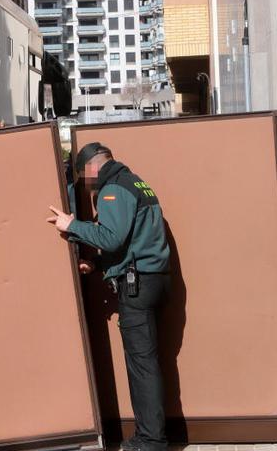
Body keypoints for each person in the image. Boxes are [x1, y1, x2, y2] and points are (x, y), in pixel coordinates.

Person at [47, 142, 171, 451]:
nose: (86, 184)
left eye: (83, 177)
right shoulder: (137, 181)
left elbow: (113, 237)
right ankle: (151, 436)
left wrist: (71, 225)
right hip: (153, 278)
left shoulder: (113, 189)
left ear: (91, 168)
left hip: (138, 285)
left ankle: (151, 441)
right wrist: (99, 264)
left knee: (142, 366)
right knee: (148, 363)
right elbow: (133, 237)